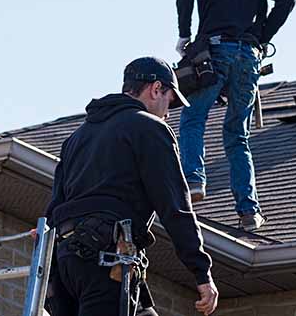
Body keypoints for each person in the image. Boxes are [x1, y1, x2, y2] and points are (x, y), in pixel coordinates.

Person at [45, 57, 219, 315]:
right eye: (169, 100)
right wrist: (201, 272)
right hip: (105, 258)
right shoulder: (148, 127)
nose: (168, 112)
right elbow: (175, 208)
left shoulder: (76, 138)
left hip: (66, 261)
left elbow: (54, 207)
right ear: (156, 88)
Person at [175, 0, 296, 231]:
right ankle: (249, 211)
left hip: (214, 51)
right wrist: (262, 35)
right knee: (237, 133)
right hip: (248, 57)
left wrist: (185, 33)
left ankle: (193, 182)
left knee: (193, 117)